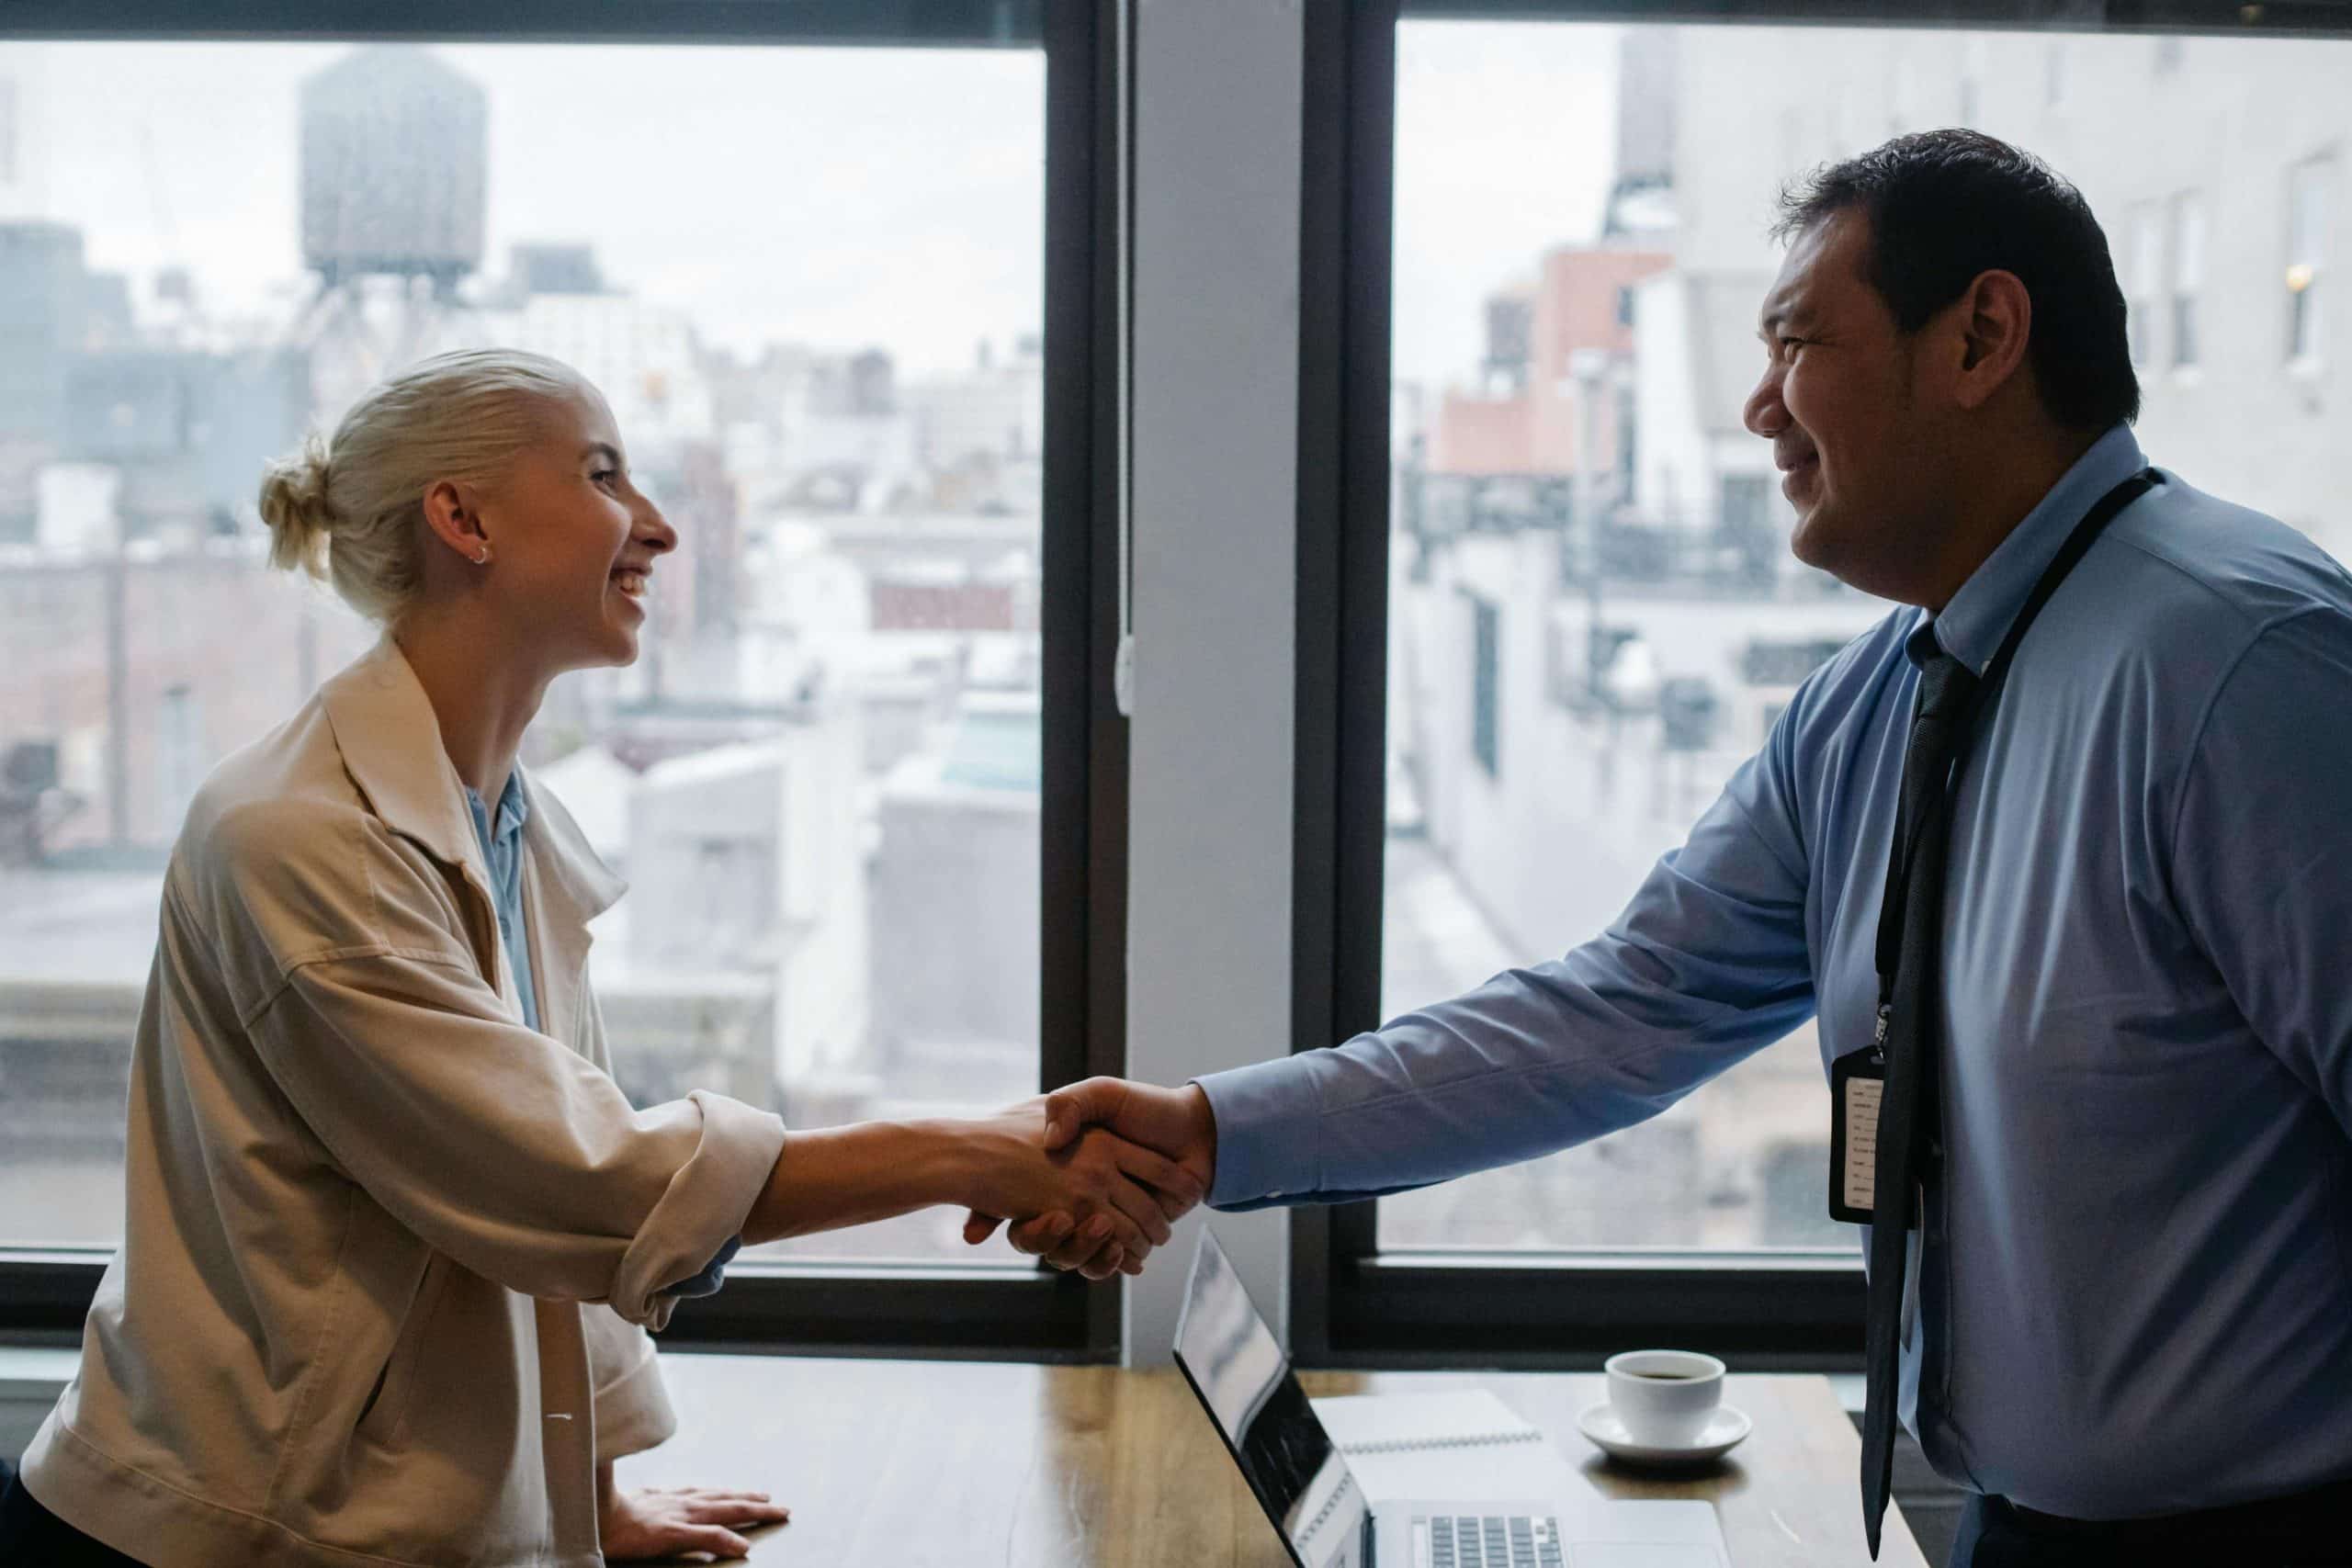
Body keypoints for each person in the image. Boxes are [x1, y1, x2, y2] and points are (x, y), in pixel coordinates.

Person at [972, 130, 2352, 1566]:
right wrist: (1210, 1133)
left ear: (1982, 338)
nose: (1757, 408)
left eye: (1797, 343)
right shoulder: (1875, 704)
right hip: (2013, 1527)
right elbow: (1612, 1017)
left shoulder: (2248, 669)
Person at [0, 349, 1201, 1568]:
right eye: (605, 474)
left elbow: (531, 1217)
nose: (660, 527)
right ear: (460, 519)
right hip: (223, 1539)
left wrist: (588, 1495)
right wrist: (963, 1155)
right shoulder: (306, 838)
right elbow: (571, 1179)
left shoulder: (501, 814)